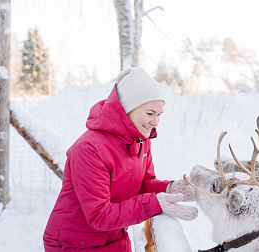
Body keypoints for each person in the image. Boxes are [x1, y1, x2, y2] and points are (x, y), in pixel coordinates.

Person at [43, 67, 198, 251]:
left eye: (159, 114)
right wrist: (156, 203)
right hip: (75, 242)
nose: (156, 122)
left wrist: (169, 188)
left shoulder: (140, 141)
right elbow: (99, 215)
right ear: (126, 109)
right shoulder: (89, 149)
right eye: (150, 113)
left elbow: (142, 185)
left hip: (114, 235)